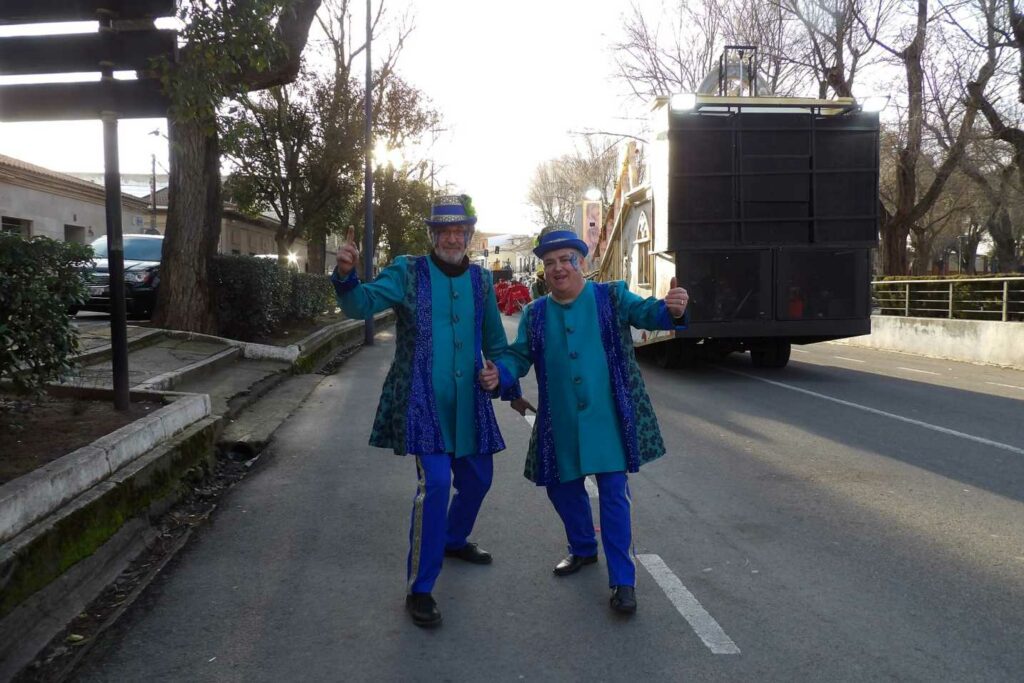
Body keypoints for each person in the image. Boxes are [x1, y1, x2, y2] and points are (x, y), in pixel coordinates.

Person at [479, 228, 688, 615]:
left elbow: (648, 312)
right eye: (550, 262)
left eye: (565, 259)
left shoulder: (610, 297)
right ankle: (582, 547)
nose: (558, 268)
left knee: (613, 497)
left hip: (607, 418)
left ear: (582, 262)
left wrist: (671, 308)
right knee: (561, 489)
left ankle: (623, 581)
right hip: (559, 422)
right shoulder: (536, 313)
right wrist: (500, 375)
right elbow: (517, 357)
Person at [332, 194, 518, 628]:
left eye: (460, 231)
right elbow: (361, 304)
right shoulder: (407, 271)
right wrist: (345, 275)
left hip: (470, 402)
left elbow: (496, 342)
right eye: (445, 231)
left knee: (479, 479)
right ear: (433, 235)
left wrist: (501, 373)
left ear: (469, 236)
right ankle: (420, 587)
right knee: (435, 484)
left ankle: (454, 539)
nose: (453, 238)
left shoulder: (479, 281)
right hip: (423, 400)